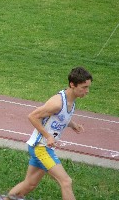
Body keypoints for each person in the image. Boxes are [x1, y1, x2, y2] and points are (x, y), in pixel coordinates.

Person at [6, 67, 93, 200]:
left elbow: (60, 117)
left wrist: (72, 124)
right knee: (66, 182)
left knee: (29, 184)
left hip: (43, 147)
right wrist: (48, 136)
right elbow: (32, 116)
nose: (87, 91)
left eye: (88, 87)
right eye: (84, 87)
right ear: (72, 84)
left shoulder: (71, 100)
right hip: (41, 148)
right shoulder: (57, 103)